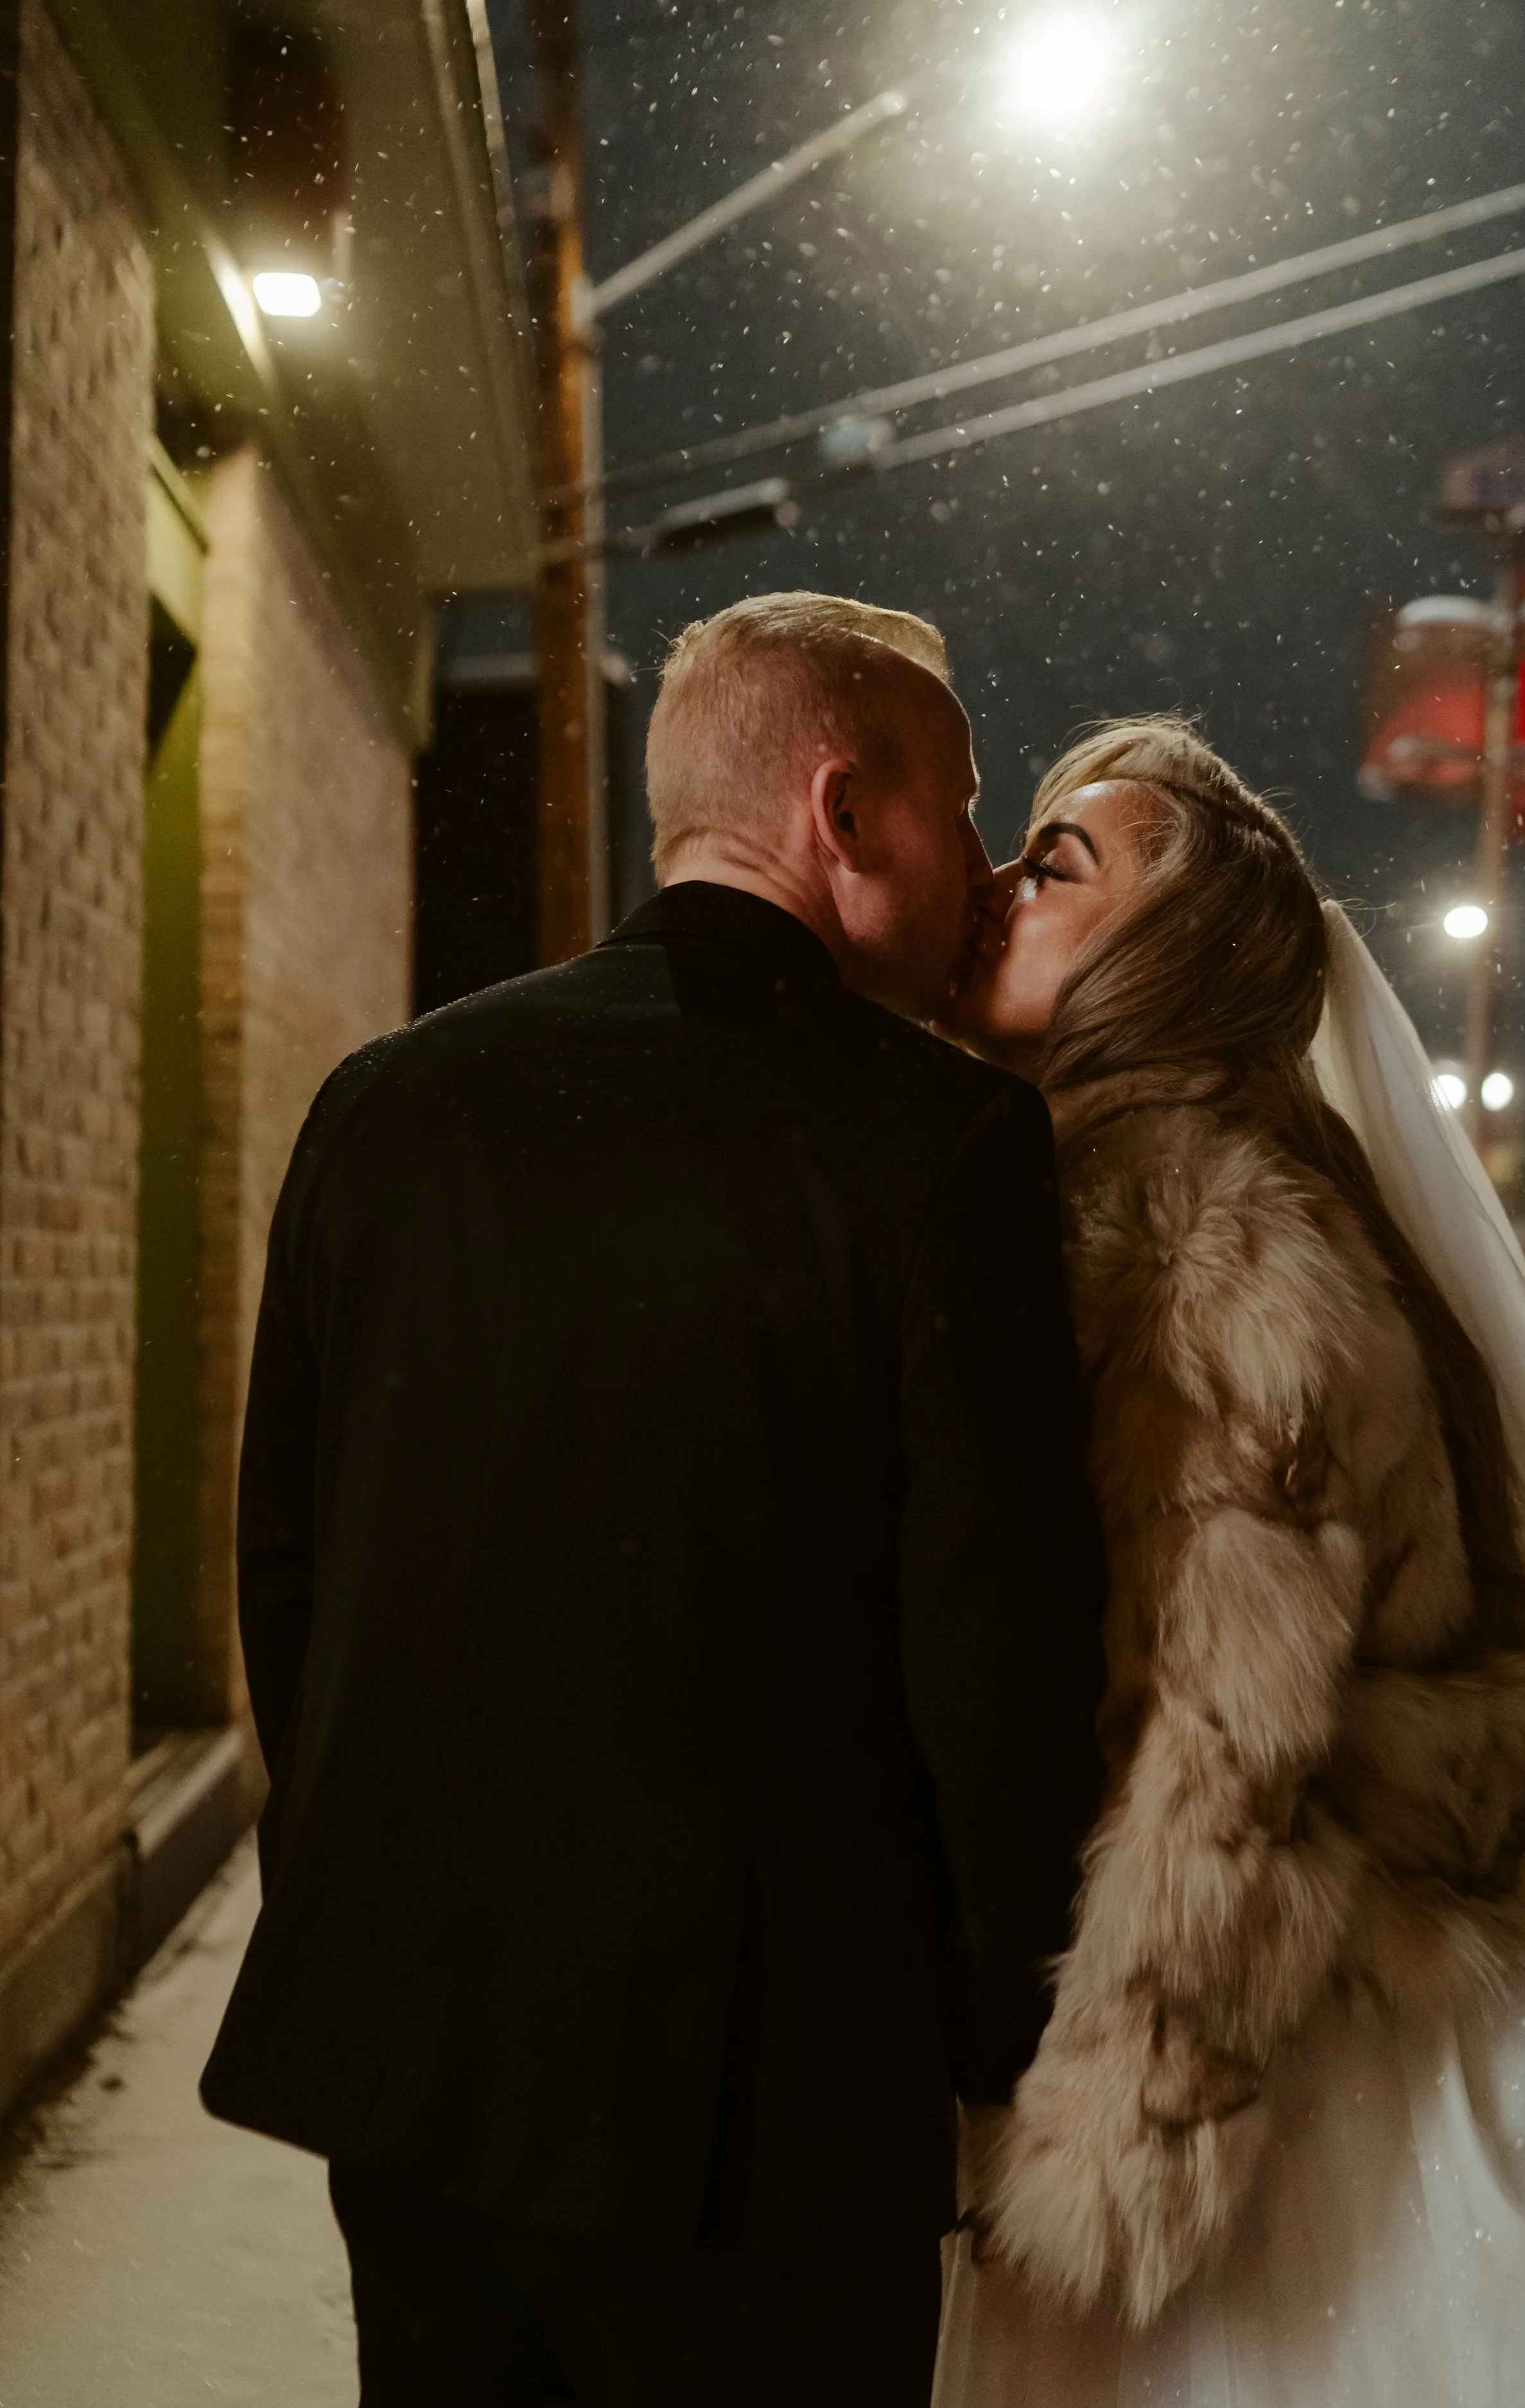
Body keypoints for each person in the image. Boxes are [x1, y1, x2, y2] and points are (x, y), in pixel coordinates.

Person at [199, 592, 1108, 2407]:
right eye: (961, 801)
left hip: (414, 2057)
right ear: (842, 813)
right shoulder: (939, 1149)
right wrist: (1016, 2032)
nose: (985, 860)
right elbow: (995, 1653)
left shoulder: (386, 1103)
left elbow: (288, 1566)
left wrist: (363, 1881)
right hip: (754, 2113)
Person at [934, 716, 1525, 2408]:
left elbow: (1224, 1757)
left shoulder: (1190, 1230)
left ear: (1174, 954)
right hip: (1344, 2006)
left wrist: (1117, 2157)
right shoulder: (1225, 1183)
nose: (997, 886)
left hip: (1247, 2090)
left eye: (1058, 863)